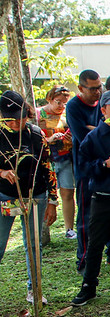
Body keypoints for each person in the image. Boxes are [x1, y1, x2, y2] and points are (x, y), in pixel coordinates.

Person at [71, 91, 110, 306]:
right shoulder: (93, 137)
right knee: (95, 244)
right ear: (104, 111)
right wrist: (104, 165)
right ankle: (88, 286)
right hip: (101, 198)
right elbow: (82, 169)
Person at [0, 91, 58, 305]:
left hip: (36, 195)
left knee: (33, 245)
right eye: (11, 119)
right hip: (6, 195)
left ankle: (35, 289)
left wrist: (52, 200)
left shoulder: (35, 134)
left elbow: (47, 166)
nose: (17, 123)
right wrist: (2, 172)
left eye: (21, 117)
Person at [65, 69, 103, 272]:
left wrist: (96, 129)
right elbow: (83, 138)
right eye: (93, 89)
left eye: (99, 87)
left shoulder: (103, 102)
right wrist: (101, 131)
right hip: (84, 169)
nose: (97, 92)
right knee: (86, 216)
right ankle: (84, 259)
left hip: (106, 166)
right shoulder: (73, 106)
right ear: (81, 88)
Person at [38, 86, 75, 239]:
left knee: (67, 192)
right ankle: (42, 230)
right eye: (58, 102)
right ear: (50, 99)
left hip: (64, 157)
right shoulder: (39, 114)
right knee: (45, 195)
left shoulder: (66, 117)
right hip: (47, 161)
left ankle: (69, 229)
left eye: (65, 103)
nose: (61, 106)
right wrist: (48, 140)